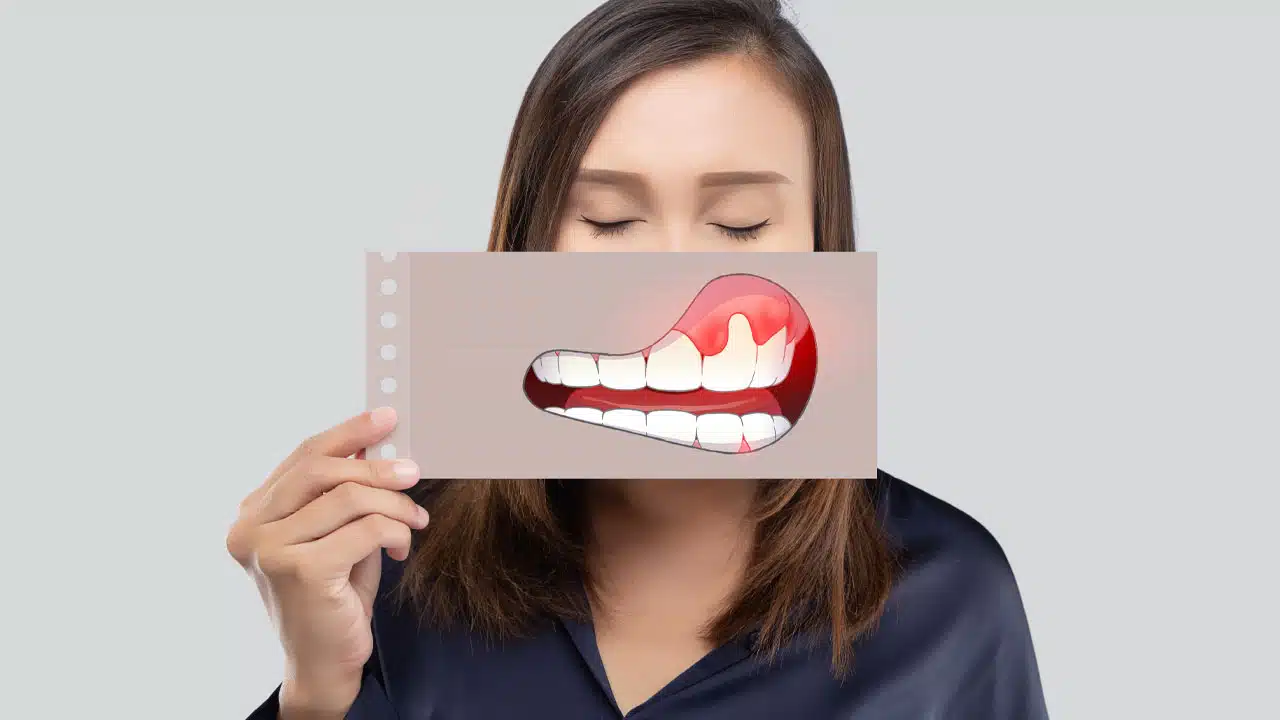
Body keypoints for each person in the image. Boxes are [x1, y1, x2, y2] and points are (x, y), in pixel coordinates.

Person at [227, 1, 1049, 717]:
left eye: (738, 224)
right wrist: (315, 695)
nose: (673, 281)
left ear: (822, 247)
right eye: (612, 222)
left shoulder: (951, 600)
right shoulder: (402, 573)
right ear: (528, 246)